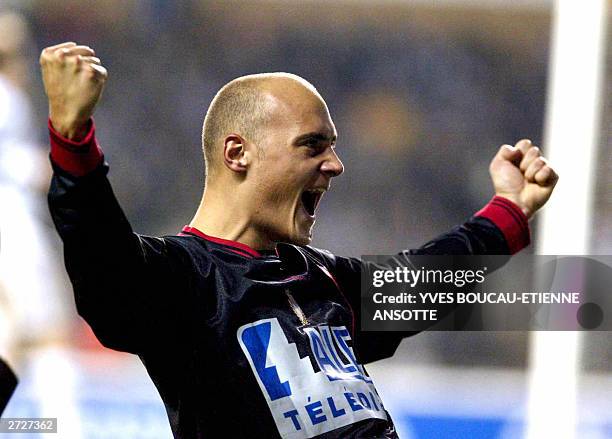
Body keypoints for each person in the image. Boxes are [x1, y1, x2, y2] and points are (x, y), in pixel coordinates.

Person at [41, 42, 557, 438]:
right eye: (312, 145)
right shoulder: (183, 282)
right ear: (237, 153)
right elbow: (103, 261)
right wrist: (72, 137)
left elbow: (421, 282)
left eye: (332, 147)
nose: (335, 164)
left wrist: (508, 210)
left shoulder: (322, 278)